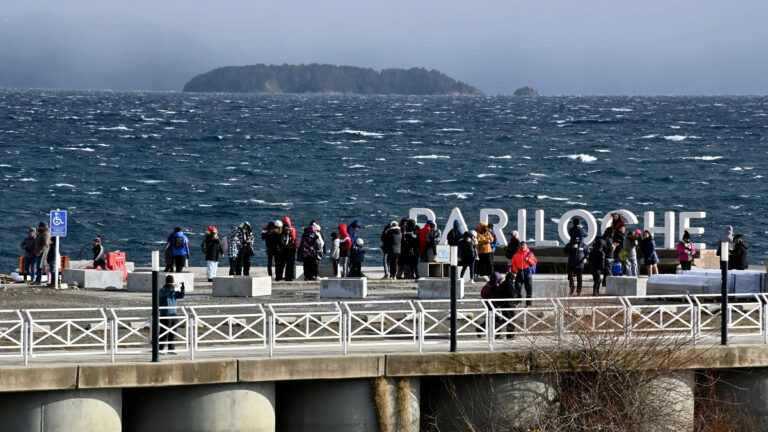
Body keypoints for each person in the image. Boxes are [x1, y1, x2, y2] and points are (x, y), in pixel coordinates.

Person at [158, 274, 185, 354]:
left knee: (173, 333)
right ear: (167, 282)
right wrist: (171, 288)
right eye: (170, 283)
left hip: (174, 314)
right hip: (165, 314)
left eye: (172, 283)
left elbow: (182, 295)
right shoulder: (162, 290)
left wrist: (182, 288)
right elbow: (164, 294)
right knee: (164, 333)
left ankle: (171, 349)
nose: (171, 284)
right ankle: (159, 349)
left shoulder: (173, 292)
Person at [510, 242, 537, 307]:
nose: (522, 246)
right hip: (520, 273)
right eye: (521, 245)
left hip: (527, 274)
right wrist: (516, 271)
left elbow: (534, 262)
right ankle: (518, 301)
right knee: (517, 288)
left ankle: (528, 304)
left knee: (529, 289)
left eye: (523, 245)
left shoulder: (530, 254)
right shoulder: (516, 255)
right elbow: (513, 264)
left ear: (526, 246)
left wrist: (528, 260)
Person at [275, 217, 297, 281]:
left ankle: (279, 277)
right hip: (288, 250)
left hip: (281, 251)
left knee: (281, 265)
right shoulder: (291, 230)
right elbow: (293, 240)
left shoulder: (280, 231)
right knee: (288, 264)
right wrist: (292, 247)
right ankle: (288, 277)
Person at [589, 230, 610, 295]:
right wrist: (602, 269)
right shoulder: (601, 252)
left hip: (592, 267)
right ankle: (595, 292)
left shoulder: (592, 250)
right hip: (598, 268)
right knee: (598, 280)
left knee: (596, 280)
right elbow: (602, 262)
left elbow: (589, 259)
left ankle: (596, 291)